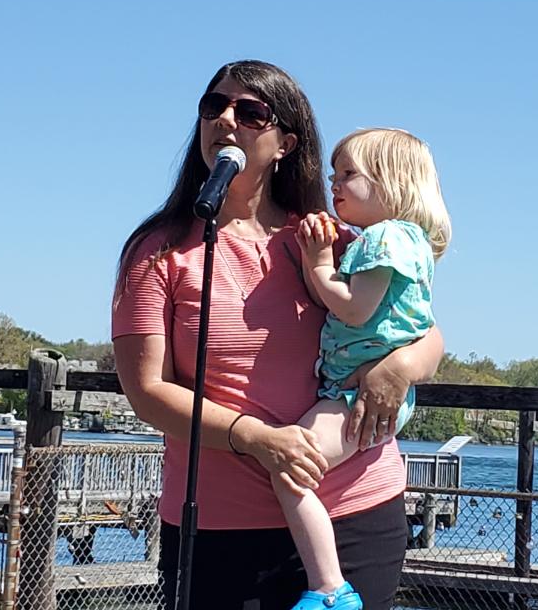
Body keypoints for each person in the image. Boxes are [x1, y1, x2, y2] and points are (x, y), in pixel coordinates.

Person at [111, 60, 444, 610]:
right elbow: (147, 391)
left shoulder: (327, 237)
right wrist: (257, 437)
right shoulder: (158, 250)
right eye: (212, 106)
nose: (225, 119)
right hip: (218, 526)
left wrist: (400, 369)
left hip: (355, 512)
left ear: (285, 142)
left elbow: (423, 331)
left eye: (249, 111)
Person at [277, 127, 451, 609]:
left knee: (291, 468)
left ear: (392, 182)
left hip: (355, 395)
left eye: (349, 173)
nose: (335, 183)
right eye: (334, 173)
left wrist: (316, 262)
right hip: (358, 390)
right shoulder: (399, 240)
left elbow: (353, 308)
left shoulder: (385, 238)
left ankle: (330, 589)